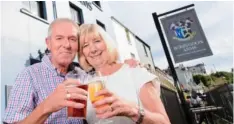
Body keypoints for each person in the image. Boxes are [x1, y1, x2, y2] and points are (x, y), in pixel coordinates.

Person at [3, 18, 137, 124]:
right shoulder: (29, 75)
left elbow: (105, 73)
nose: (66, 45)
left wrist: (123, 66)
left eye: (72, 39)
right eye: (59, 38)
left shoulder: (83, 75)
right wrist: (47, 106)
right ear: (48, 43)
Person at [78, 24, 170, 124]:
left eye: (97, 41)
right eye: (85, 45)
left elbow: (164, 122)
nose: (93, 49)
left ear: (107, 43)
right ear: (82, 53)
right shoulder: (83, 84)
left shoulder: (135, 72)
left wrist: (133, 112)